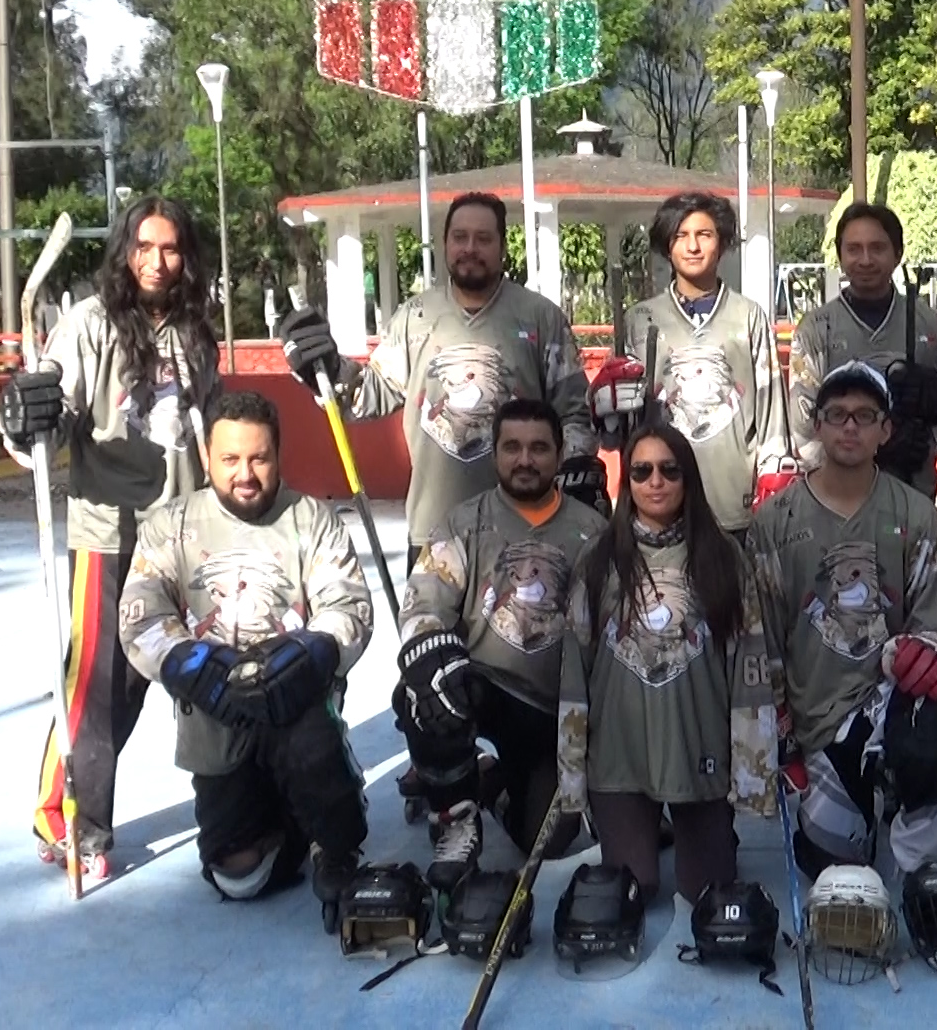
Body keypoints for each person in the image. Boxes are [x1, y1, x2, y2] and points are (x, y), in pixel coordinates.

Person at [0, 193, 224, 879]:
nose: (158, 262)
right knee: (99, 685)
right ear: (126, 252)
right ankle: (71, 820)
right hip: (109, 532)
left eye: (171, 248)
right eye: (145, 247)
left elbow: (212, 425)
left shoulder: (195, 330)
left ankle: (245, 803)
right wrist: (26, 416)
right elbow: (49, 418)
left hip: (183, 529)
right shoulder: (89, 325)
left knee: (189, 675)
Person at [118, 391, 373, 919]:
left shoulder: (312, 520)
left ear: (278, 455)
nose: (246, 474)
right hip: (216, 710)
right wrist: (189, 665)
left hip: (294, 702)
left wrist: (312, 652)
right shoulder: (171, 526)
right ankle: (293, 829)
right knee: (238, 877)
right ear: (207, 456)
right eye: (230, 459)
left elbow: (349, 607)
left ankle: (335, 833)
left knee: (315, 760)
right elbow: (140, 613)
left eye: (259, 458)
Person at [277, 192, 603, 562]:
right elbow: (369, 394)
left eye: (484, 239)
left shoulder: (541, 318)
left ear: (502, 248)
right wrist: (328, 368)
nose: (470, 248)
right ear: (445, 243)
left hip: (527, 526)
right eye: (460, 237)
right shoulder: (415, 316)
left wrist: (574, 473)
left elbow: (573, 415)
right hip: (434, 529)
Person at [752, 362, 937, 881]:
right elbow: (762, 637)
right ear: (818, 426)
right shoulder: (775, 520)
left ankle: (913, 835)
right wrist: (780, 738)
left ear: (885, 430)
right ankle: (853, 796)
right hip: (817, 720)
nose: (850, 427)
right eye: (838, 415)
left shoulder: (915, 515)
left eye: (865, 416)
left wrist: (925, 653)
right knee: (834, 871)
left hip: (888, 705)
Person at [554, 424, 778, 902]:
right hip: (620, 760)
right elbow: (575, 675)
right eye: (641, 470)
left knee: (707, 894)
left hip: (699, 753)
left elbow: (749, 670)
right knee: (634, 890)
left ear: (687, 479)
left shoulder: (724, 558)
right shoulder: (597, 560)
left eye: (669, 470)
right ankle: (640, 826)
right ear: (627, 482)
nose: (655, 481)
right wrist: (573, 778)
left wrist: (753, 775)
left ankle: (706, 832)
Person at [393, 398, 609, 893]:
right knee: (421, 685)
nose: (525, 460)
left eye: (538, 448)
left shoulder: (592, 532)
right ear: (495, 453)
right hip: (479, 689)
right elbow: (424, 606)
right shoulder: (462, 523)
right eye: (512, 447)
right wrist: (430, 656)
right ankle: (455, 817)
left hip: (552, 710)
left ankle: (491, 783)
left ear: (558, 456)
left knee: (549, 839)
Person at [589, 192, 792, 536]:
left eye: (704, 235)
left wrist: (773, 476)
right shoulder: (640, 320)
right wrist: (606, 405)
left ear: (723, 243)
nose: (693, 246)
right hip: (658, 502)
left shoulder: (748, 316)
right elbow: (618, 428)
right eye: (681, 236)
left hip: (732, 501)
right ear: (666, 246)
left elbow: (771, 411)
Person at [785, 204, 937, 499]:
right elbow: (804, 430)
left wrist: (928, 413)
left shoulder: (930, 327)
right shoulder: (816, 329)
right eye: (854, 249)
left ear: (898, 253)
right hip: (838, 498)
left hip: (912, 494)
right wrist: (862, 451)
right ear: (840, 256)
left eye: (877, 248)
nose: (865, 260)